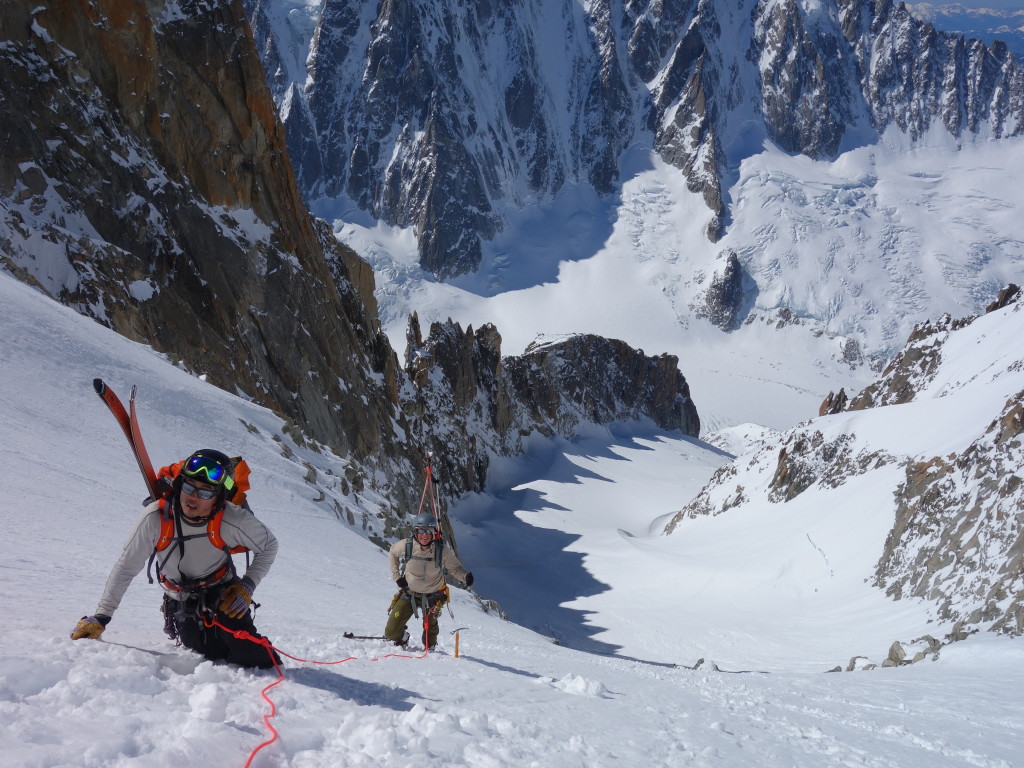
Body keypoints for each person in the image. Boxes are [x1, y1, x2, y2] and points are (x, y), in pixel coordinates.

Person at [70, 449, 280, 669]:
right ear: (180, 485)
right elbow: (126, 567)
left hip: (223, 594)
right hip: (181, 601)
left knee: (252, 654)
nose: (193, 497)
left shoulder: (232, 518)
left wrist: (247, 585)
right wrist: (102, 617)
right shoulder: (155, 518)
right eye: (189, 487)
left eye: (206, 492)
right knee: (207, 654)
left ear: (219, 497)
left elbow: (269, 545)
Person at [384, 512, 473, 650]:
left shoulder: (441, 550)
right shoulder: (407, 546)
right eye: (421, 531)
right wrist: (397, 577)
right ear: (415, 532)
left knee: (429, 638)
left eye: (428, 531)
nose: (424, 535)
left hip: (433, 596)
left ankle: (430, 645)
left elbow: (455, 568)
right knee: (391, 632)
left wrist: (465, 576)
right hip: (409, 594)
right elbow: (393, 552)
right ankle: (402, 637)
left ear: (434, 533)